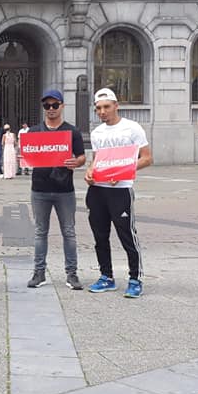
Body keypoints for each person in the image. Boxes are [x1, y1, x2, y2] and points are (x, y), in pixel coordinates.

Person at [84, 88, 153, 298]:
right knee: (100, 236)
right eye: (98, 109)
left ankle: (135, 278)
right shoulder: (97, 133)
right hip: (98, 191)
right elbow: (97, 161)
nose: (102, 112)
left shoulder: (132, 129)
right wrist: (89, 172)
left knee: (127, 235)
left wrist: (123, 171)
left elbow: (147, 158)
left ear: (116, 105)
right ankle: (106, 276)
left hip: (120, 190)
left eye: (106, 107)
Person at [26, 90, 86, 291]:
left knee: (69, 232)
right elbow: (27, 155)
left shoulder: (72, 132)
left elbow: (82, 157)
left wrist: (75, 162)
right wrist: (23, 158)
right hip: (40, 189)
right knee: (40, 232)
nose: (51, 109)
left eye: (54, 105)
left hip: (64, 190)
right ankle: (39, 272)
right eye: (47, 106)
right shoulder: (34, 132)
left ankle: (72, 274)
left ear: (62, 106)